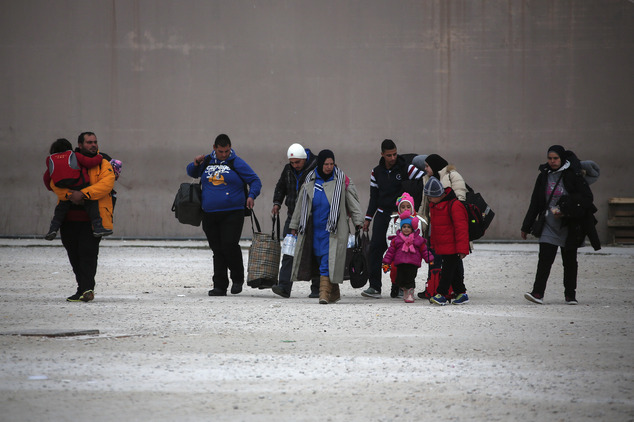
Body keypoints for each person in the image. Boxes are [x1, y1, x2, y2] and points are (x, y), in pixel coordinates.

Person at [520, 145, 600, 305]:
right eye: (549, 158)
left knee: (570, 262)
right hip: (549, 225)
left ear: (562, 158)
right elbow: (535, 202)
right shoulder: (544, 175)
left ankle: (570, 295)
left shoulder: (573, 174)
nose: (552, 161)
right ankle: (538, 293)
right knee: (544, 260)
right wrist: (526, 226)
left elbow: (586, 196)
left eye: (555, 158)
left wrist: (565, 208)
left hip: (569, 225)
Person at [187, 134, 262, 296]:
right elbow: (192, 173)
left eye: (227, 151)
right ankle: (220, 286)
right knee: (217, 249)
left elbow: (255, 181)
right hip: (209, 213)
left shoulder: (236, 162)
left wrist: (251, 196)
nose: (224, 154)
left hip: (233, 212)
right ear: (214, 148)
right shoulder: (206, 161)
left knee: (229, 244)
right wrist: (195, 163)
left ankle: (237, 278)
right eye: (221, 151)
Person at [47, 132, 116, 302]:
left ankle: (86, 289)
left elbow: (107, 184)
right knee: (74, 254)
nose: (93, 145)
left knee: (88, 253)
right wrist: (72, 195)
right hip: (68, 220)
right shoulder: (66, 160)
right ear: (80, 144)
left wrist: (83, 194)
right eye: (89, 142)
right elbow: (53, 182)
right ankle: (83, 288)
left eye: (95, 142)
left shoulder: (102, 162)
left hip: (93, 220)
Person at [289, 150, 364, 304]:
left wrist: (358, 221)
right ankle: (334, 292)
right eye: (326, 164)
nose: (329, 167)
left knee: (327, 260)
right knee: (319, 257)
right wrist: (294, 225)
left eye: (331, 164)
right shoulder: (310, 180)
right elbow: (300, 205)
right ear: (320, 164)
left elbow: (353, 202)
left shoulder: (342, 180)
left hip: (334, 230)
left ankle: (323, 294)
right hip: (314, 230)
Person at [361, 139, 425, 299]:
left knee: (401, 250)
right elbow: (373, 196)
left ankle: (399, 286)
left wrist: (413, 204)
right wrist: (368, 218)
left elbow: (424, 179)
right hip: (382, 215)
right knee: (376, 249)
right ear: (382, 154)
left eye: (395, 154)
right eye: (389, 155)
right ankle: (375, 287)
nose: (393, 158)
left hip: (400, 217)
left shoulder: (406, 168)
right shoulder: (376, 172)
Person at [414, 153, 467, 300]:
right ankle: (455, 291)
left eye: (427, 166)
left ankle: (442, 292)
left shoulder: (452, 177)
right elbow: (424, 204)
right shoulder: (428, 179)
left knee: (450, 266)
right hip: (438, 228)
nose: (425, 169)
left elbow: (460, 203)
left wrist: (462, 248)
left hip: (451, 231)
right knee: (446, 264)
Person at [271, 143, 320, 298]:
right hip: (293, 216)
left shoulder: (317, 167)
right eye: (292, 162)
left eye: (297, 162)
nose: (295, 165)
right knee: (289, 250)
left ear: (304, 159)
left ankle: (317, 288)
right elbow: (281, 187)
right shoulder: (288, 170)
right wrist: (277, 203)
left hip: (312, 216)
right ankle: (284, 286)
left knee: (315, 251)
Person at [44, 138, 112, 240]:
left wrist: (65, 193)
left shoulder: (50, 159)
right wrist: (99, 157)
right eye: (89, 142)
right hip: (79, 186)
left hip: (65, 189)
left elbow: (48, 179)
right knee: (92, 204)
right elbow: (89, 162)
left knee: (60, 210)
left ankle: (53, 229)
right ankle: (98, 228)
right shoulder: (74, 155)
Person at [424, 177, 470, 306]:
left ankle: (442, 294)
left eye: (430, 197)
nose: (429, 200)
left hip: (453, 247)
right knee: (453, 271)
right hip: (444, 246)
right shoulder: (435, 205)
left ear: (439, 195)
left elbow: (461, 229)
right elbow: (436, 229)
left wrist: (462, 249)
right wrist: (433, 243)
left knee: (446, 271)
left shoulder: (455, 205)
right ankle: (461, 293)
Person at [382, 213, 433, 303]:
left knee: (410, 278)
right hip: (400, 263)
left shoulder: (417, 239)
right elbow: (391, 251)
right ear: (401, 228)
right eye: (404, 227)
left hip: (413, 263)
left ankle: (410, 293)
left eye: (408, 227)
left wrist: (429, 259)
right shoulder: (397, 239)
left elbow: (424, 250)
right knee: (400, 280)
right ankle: (405, 290)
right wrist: (386, 261)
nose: (406, 229)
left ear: (412, 229)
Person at [385, 192, 427, 298]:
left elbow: (419, 236)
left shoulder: (416, 220)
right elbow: (389, 235)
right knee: (395, 269)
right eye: (403, 207)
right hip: (397, 251)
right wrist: (393, 247)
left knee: (410, 271)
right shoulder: (394, 220)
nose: (406, 209)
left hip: (412, 252)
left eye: (408, 207)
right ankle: (396, 285)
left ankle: (408, 289)